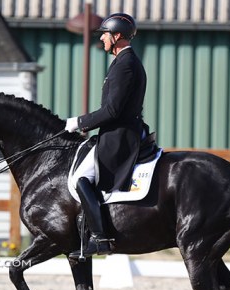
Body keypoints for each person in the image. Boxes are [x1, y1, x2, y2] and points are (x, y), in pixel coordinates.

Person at [65, 13, 147, 258]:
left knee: (81, 178)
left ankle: (100, 238)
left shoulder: (126, 64)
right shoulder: (123, 62)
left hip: (119, 136)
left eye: (105, 34)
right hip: (116, 132)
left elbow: (112, 110)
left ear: (117, 36)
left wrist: (80, 122)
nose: (101, 38)